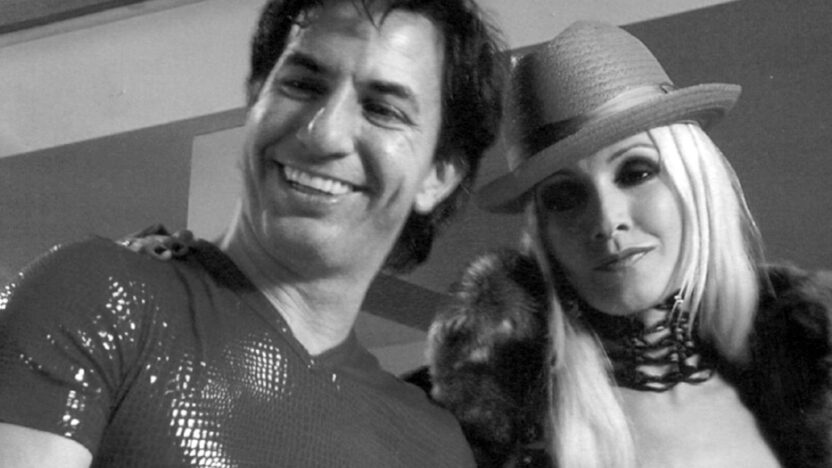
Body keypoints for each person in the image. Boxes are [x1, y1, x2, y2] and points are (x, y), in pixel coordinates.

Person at [0, 0, 505, 466]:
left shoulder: (434, 449)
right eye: (302, 84)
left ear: (439, 174)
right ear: (255, 95)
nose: (324, 132)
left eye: (383, 109)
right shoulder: (99, 299)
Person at [425, 21, 832, 468]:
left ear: (696, 180)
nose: (606, 220)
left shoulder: (807, 373)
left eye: (636, 173)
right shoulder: (478, 430)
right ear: (543, 232)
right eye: (564, 197)